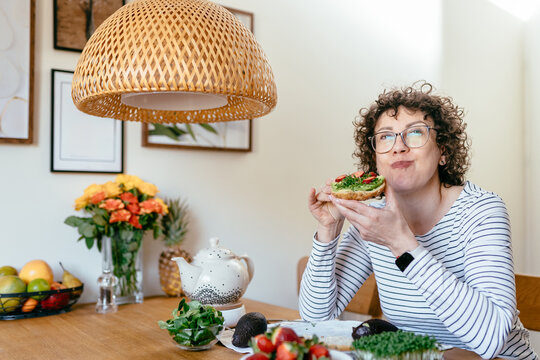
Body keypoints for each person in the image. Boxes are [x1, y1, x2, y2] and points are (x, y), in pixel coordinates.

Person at [299, 82, 538, 360]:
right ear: (375, 159)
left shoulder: (482, 211)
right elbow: (316, 319)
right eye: (386, 137)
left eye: (415, 133)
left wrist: (401, 242)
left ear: (443, 151)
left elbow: (490, 338)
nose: (398, 147)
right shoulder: (373, 218)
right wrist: (327, 230)